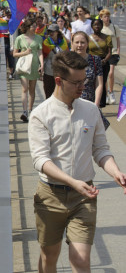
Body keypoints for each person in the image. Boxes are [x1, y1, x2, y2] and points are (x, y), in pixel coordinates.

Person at [28, 50, 126, 273]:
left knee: (81, 260)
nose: (83, 87)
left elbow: (101, 150)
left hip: (84, 196)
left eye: (85, 81)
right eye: (77, 82)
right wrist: (72, 182)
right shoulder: (40, 115)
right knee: (49, 257)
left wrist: (116, 173)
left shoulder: (91, 110)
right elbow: (41, 160)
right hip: (50, 196)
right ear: (59, 81)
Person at [13, 19, 44, 122]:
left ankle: (30, 110)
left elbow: (40, 52)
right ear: (27, 27)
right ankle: (24, 111)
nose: (35, 28)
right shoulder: (19, 38)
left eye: (35, 26)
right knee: (25, 88)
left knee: (32, 89)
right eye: (33, 26)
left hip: (34, 66)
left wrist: (42, 64)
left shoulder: (38, 38)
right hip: (24, 67)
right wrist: (25, 53)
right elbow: (14, 54)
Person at [71, 32, 104, 108]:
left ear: (87, 44)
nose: (79, 45)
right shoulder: (67, 60)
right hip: (71, 103)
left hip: (90, 103)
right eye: (77, 42)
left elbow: (99, 84)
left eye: (82, 42)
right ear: (72, 43)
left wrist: (96, 104)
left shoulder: (95, 60)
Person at [87, 18, 111, 108]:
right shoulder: (88, 38)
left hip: (104, 62)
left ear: (102, 26)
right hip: (91, 61)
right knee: (92, 81)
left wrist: (104, 60)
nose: (97, 26)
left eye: (99, 24)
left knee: (102, 81)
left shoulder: (107, 37)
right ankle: (93, 100)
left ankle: (101, 102)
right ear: (92, 26)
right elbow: (86, 50)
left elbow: (109, 52)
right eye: (95, 25)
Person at [41, 24, 69, 99]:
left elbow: (67, 56)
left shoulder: (64, 42)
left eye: (52, 31)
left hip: (61, 71)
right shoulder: (46, 42)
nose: (51, 33)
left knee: (60, 92)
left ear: (57, 32)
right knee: (48, 92)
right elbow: (42, 55)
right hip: (49, 70)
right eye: (49, 31)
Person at [99, 10, 120, 104]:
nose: (107, 18)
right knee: (105, 74)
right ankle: (106, 94)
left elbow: (118, 40)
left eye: (108, 16)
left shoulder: (115, 28)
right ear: (101, 18)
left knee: (111, 73)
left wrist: (118, 50)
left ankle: (111, 92)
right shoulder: (100, 29)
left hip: (113, 52)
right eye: (104, 16)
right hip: (104, 54)